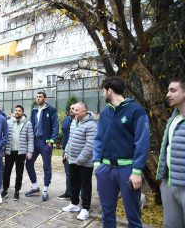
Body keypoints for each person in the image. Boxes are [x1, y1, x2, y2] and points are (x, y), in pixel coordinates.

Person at [93, 77, 150, 227]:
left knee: (133, 215)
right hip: (105, 170)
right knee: (107, 213)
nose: (102, 94)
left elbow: (142, 142)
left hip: (128, 170)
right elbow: (99, 139)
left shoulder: (136, 110)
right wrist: (97, 163)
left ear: (109, 90)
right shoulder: (105, 113)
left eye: (103, 91)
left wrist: (137, 171)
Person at [156, 77, 185, 228]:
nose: (168, 94)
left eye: (173, 90)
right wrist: (163, 180)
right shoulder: (173, 119)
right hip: (169, 183)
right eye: (168, 90)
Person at [62, 102, 97, 221]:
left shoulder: (92, 125)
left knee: (85, 185)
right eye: (73, 110)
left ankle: (85, 209)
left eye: (77, 110)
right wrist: (66, 152)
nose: (73, 112)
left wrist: (79, 160)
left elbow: (90, 145)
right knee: (74, 183)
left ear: (84, 112)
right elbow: (70, 139)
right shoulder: (74, 121)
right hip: (72, 160)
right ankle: (74, 204)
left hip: (85, 162)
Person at [25, 91, 59, 201]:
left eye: (40, 97)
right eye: (37, 97)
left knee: (46, 166)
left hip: (45, 142)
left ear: (45, 98)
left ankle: (45, 190)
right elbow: (31, 126)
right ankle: (35, 187)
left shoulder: (51, 110)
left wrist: (52, 140)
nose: (38, 98)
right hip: (34, 142)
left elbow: (55, 126)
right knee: (28, 163)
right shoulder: (34, 110)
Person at [2, 105, 33, 201]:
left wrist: (30, 151)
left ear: (22, 112)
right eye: (16, 110)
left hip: (21, 152)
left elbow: (31, 138)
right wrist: (3, 149)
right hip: (9, 152)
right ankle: (5, 190)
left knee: (19, 173)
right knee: (6, 172)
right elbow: (4, 136)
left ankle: (17, 191)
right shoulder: (8, 122)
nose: (17, 112)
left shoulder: (28, 123)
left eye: (19, 111)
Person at [57, 104, 75, 200]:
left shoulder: (80, 121)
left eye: (73, 108)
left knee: (78, 174)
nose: (71, 110)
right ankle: (68, 193)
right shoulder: (67, 120)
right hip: (65, 150)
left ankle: (79, 195)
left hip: (76, 150)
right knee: (68, 173)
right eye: (70, 108)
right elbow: (64, 131)